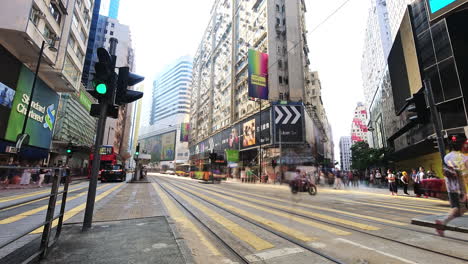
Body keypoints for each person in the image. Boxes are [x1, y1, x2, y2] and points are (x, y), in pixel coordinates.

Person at [435, 138, 468, 237]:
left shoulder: (446, 157)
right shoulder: (464, 158)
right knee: (459, 210)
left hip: (451, 188)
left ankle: (442, 223)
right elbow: (465, 174)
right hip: (462, 188)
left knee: (458, 210)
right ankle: (442, 222)